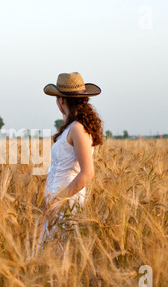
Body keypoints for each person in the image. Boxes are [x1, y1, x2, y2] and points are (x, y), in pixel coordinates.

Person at [40, 72, 104, 244]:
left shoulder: (77, 129)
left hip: (66, 202)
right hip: (57, 201)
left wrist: (58, 201)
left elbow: (88, 172)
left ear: (61, 100)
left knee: (60, 252)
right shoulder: (72, 127)